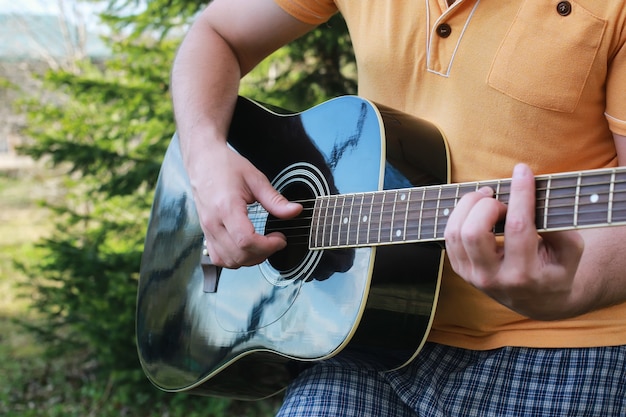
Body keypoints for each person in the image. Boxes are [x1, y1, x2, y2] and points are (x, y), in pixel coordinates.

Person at [171, 0, 626, 415]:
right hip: (363, 324)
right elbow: (216, 35)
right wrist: (205, 153)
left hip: (566, 344)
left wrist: (568, 290)